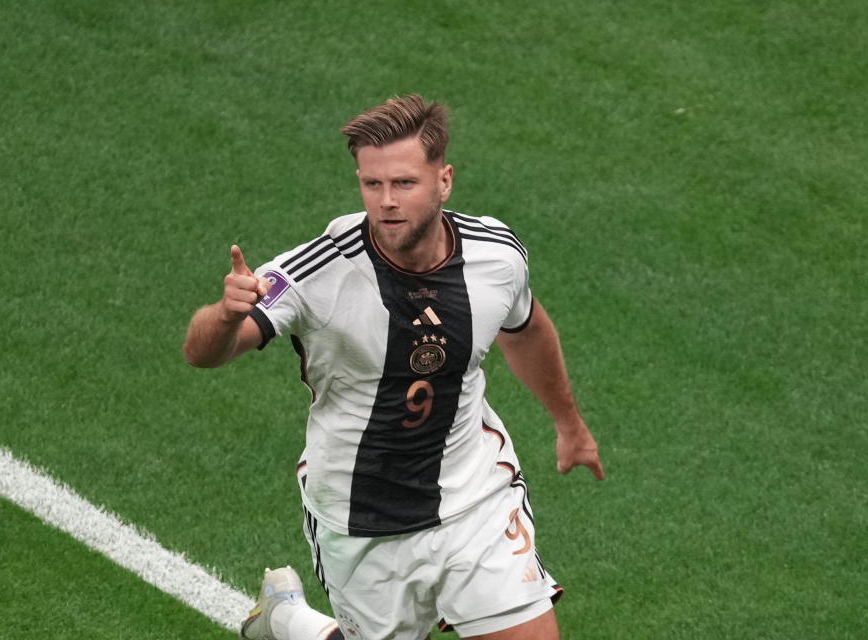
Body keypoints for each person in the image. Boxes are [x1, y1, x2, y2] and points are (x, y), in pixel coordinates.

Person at [183, 94, 604, 640]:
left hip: (474, 495)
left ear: (444, 180)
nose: (385, 202)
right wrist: (223, 314)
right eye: (371, 184)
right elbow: (204, 352)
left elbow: (525, 331)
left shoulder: (496, 255)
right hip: (362, 517)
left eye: (404, 183)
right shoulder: (316, 272)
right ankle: (288, 621)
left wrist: (569, 424)